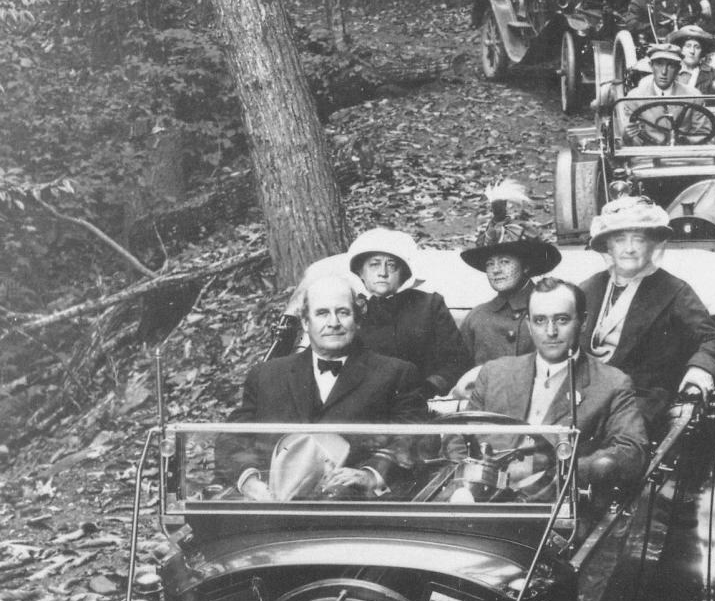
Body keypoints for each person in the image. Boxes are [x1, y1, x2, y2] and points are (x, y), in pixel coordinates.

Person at [215, 262, 422, 497]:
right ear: (305, 322)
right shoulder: (265, 376)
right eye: (322, 313)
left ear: (357, 320)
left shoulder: (396, 374)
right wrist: (250, 480)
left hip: (355, 509)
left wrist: (370, 474)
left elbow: (412, 437)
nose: (333, 323)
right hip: (272, 507)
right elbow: (232, 438)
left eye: (343, 312)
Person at [466, 276, 649, 492]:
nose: (550, 331)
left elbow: (630, 452)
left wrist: (556, 475)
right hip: (480, 502)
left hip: (558, 505)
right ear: (529, 325)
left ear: (583, 322)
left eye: (562, 320)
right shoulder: (494, 373)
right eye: (540, 320)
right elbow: (458, 439)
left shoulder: (613, 383)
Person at [581, 196, 715, 430]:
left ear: (652, 244)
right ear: (608, 246)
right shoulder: (589, 288)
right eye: (620, 240)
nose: (629, 249)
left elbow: (712, 338)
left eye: (638, 240)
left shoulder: (673, 290)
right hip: (584, 394)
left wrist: (698, 373)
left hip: (641, 398)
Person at [346, 227, 470, 397]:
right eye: (374, 264)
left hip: (421, 402)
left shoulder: (430, 305)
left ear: (404, 272)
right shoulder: (350, 310)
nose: (383, 273)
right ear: (361, 271)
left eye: (391, 265)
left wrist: (430, 387)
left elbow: (457, 360)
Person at [458, 184, 562, 367]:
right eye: (490, 263)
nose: (496, 269)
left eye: (505, 262)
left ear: (526, 266)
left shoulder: (552, 308)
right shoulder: (477, 318)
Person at [628, 42, 699, 99]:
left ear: (678, 69)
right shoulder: (634, 98)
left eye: (671, 65)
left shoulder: (693, 97)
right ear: (651, 66)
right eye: (659, 64)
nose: (664, 72)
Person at [669, 23, 715, 92]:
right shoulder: (669, 71)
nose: (692, 51)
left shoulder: (711, 74)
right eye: (688, 46)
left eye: (697, 47)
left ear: (702, 51)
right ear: (680, 49)